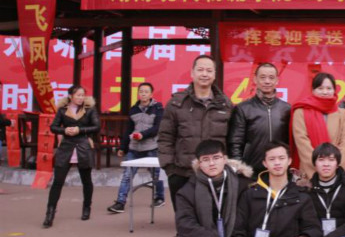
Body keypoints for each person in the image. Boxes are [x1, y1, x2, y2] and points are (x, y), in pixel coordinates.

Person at [159, 55, 233, 210]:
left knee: (213, 219)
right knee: (185, 219)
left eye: (209, 70)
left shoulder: (225, 105)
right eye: (200, 70)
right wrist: (170, 169)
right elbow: (165, 137)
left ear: (214, 75)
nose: (204, 74)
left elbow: (232, 140)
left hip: (215, 175)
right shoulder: (176, 104)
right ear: (192, 73)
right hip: (182, 174)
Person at [43, 85, 100, 227]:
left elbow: (97, 127)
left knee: (86, 181)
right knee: (57, 182)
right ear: (70, 96)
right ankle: (50, 213)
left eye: (82, 95)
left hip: (83, 146)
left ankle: (86, 207)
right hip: (66, 147)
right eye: (78, 95)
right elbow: (53, 127)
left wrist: (80, 130)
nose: (81, 98)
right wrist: (64, 130)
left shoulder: (90, 109)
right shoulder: (62, 110)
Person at [108, 82, 166, 213]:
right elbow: (128, 130)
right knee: (127, 176)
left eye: (146, 92)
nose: (143, 94)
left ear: (151, 94)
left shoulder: (158, 108)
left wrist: (142, 135)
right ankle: (120, 202)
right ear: (138, 93)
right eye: (141, 91)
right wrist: (122, 147)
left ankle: (159, 198)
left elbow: (157, 128)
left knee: (155, 175)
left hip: (151, 147)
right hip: (134, 148)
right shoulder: (133, 109)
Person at [227, 62, 291, 174]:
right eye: (263, 77)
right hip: (251, 171)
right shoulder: (243, 108)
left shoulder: (286, 108)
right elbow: (235, 142)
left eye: (271, 78)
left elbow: (290, 143)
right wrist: (239, 169)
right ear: (255, 79)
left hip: (279, 171)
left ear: (277, 80)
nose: (267, 81)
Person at [291, 72, 345, 182]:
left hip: (336, 173)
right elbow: (302, 143)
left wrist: (334, 167)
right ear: (313, 90)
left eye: (329, 88)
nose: (325, 92)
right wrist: (319, 166)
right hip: (309, 173)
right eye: (320, 88)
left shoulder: (343, 114)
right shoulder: (300, 112)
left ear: (334, 90)